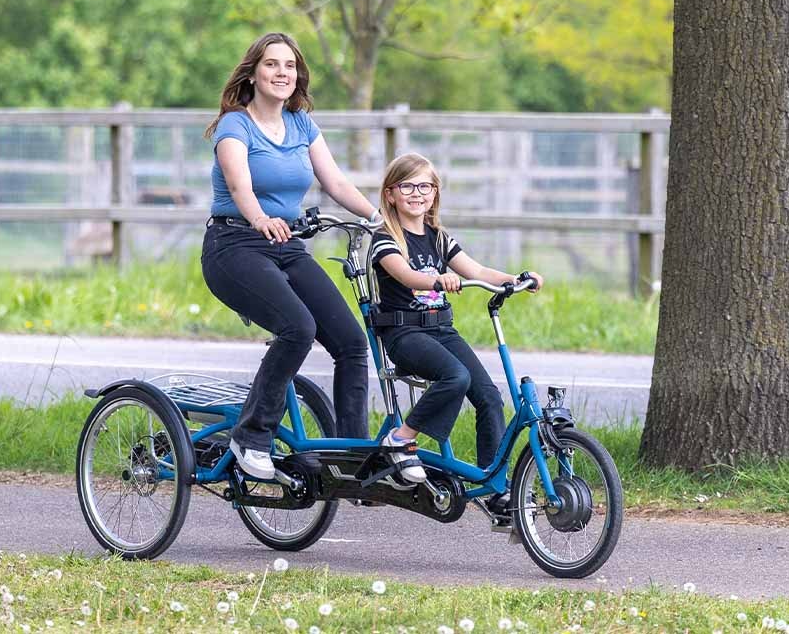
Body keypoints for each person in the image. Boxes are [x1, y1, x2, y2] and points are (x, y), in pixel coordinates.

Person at [202, 32, 381, 480]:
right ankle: (251, 437)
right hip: (233, 246)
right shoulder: (235, 126)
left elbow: (336, 184)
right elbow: (241, 186)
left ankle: (352, 457)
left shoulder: (302, 124)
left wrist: (379, 219)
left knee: (352, 342)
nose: (282, 73)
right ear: (254, 72)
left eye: (290, 66)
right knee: (298, 327)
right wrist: (261, 218)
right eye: (272, 65)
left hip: (285, 245)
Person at [369, 153, 544, 503]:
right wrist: (437, 280)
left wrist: (516, 278)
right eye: (407, 186)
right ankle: (401, 439)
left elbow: (476, 271)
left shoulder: (437, 237)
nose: (417, 193)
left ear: (435, 193)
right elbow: (407, 276)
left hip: (442, 331)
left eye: (425, 186)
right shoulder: (385, 238)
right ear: (390, 194)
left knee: (489, 396)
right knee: (455, 376)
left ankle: (495, 486)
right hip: (405, 335)